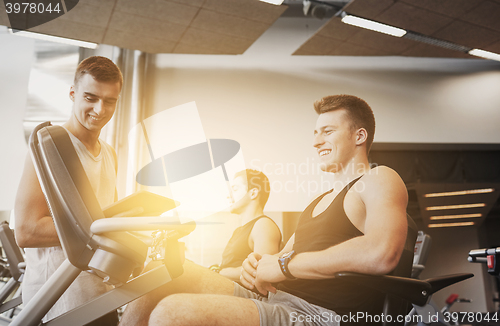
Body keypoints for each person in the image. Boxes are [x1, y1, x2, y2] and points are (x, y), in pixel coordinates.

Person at [119, 94, 408, 326]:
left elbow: (381, 254)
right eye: (316, 132)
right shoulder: (317, 202)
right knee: (162, 274)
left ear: (359, 136)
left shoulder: (379, 178)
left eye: (328, 131)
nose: (316, 141)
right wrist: (257, 265)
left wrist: (283, 266)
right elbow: (280, 259)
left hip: (320, 315)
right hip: (279, 299)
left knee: (172, 312)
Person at [14, 56, 123, 325]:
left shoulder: (109, 154)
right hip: (58, 301)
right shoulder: (50, 145)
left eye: (110, 101)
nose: (100, 109)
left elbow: (109, 222)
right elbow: (26, 231)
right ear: (73, 94)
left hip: (99, 295)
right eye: (90, 97)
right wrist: (101, 228)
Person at [212, 169, 281, 283]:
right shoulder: (239, 230)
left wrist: (219, 272)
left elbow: (262, 270)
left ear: (253, 193)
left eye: (235, 189)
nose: (229, 195)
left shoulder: (263, 225)